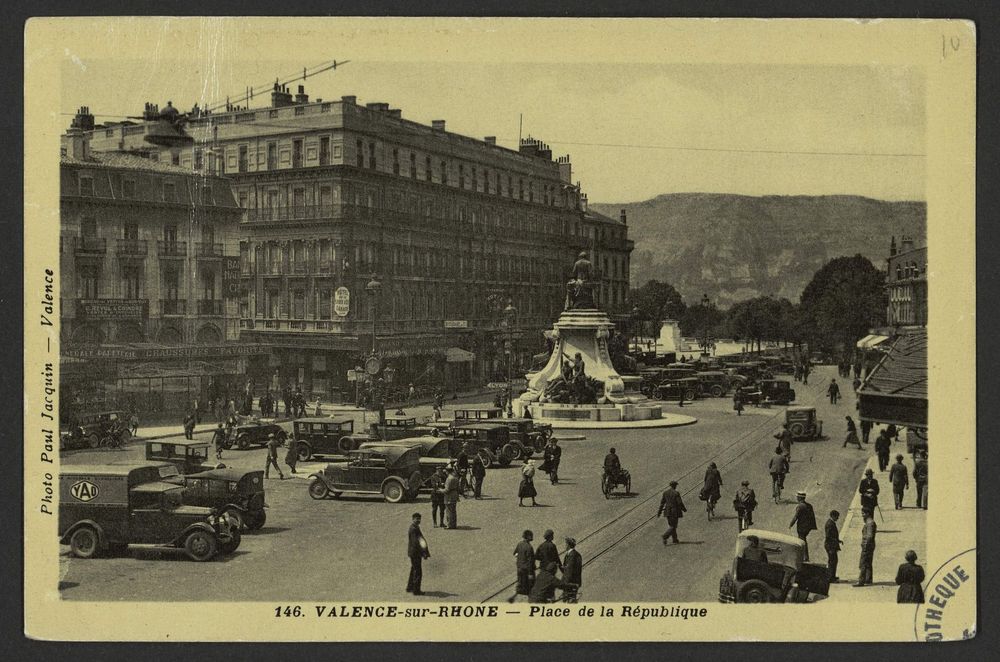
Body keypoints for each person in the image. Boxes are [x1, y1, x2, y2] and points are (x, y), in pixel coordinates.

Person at [788, 490, 817, 562]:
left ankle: (804, 557)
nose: (796, 498)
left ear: (799, 498)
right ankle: (805, 556)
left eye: (797, 497)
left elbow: (796, 517)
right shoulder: (809, 505)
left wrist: (791, 524)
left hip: (802, 527)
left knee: (801, 541)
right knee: (803, 540)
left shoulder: (800, 506)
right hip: (808, 527)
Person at [406, 513, 430, 595]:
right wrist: (423, 553)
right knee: (418, 571)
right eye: (416, 519)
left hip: (413, 552)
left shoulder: (414, 527)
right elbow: (416, 542)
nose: (418, 521)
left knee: (414, 569)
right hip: (415, 553)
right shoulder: (413, 529)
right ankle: (416, 590)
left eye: (419, 519)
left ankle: (410, 587)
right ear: (412, 519)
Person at [657, 480, 686, 545]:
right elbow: (680, 503)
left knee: (671, 525)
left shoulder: (665, 493)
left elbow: (662, 503)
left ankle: (675, 539)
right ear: (675, 486)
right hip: (674, 512)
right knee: (673, 526)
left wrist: (659, 512)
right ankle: (665, 536)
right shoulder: (676, 493)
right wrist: (684, 509)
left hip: (667, 512)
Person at [854, 511, 877, 587]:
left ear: (867, 513)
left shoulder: (870, 523)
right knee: (868, 562)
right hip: (870, 545)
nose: (862, 515)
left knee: (863, 563)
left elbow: (869, 536)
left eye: (863, 513)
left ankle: (861, 581)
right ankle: (868, 579)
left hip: (867, 546)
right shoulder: (870, 522)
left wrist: (865, 545)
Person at [513, 530, 536, 597]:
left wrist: (521, 557)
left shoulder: (519, 544)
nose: (532, 537)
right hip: (526, 570)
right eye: (531, 536)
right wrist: (530, 573)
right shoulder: (529, 547)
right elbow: (530, 562)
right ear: (528, 537)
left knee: (521, 584)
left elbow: (515, 553)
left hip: (519, 568)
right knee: (531, 588)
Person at [824, 510, 843, 582]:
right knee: (832, 561)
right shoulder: (830, 524)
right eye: (837, 517)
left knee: (833, 561)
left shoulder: (831, 523)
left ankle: (832, 576)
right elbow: (828, 536)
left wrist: (838, 541)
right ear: (833, 516)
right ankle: (830, 578)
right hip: (830, 546)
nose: (837, 518)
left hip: (831, 545)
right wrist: (836, 541)